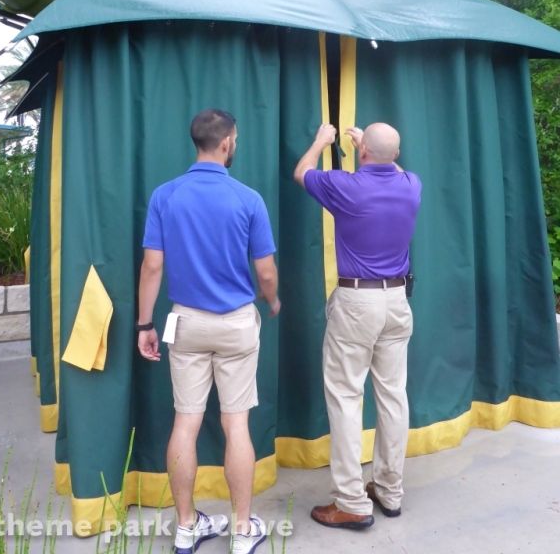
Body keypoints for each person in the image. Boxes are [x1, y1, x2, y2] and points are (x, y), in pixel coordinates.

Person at [137, 109, 280, 554]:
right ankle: (242, 529)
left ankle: (186, 526)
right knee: (236, 425)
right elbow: (266, 272)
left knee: (186, 422)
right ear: (226, 143)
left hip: (186, 322)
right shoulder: (248, 198)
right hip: (237, 323)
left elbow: (152, 266)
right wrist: (273, 300)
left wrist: (145, 323)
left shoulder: (165, 195)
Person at [294, 122, 421, 531]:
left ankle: (351, 502)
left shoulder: (345, 186)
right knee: (393, 396)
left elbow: (302, 172)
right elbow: (392, 165)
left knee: (347, 398)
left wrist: (321, 142)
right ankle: (389, 490)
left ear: (362, 152)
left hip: (356, 303)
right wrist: (370, 144)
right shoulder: (411, 185)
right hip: (397, 301)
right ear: (396, 155)